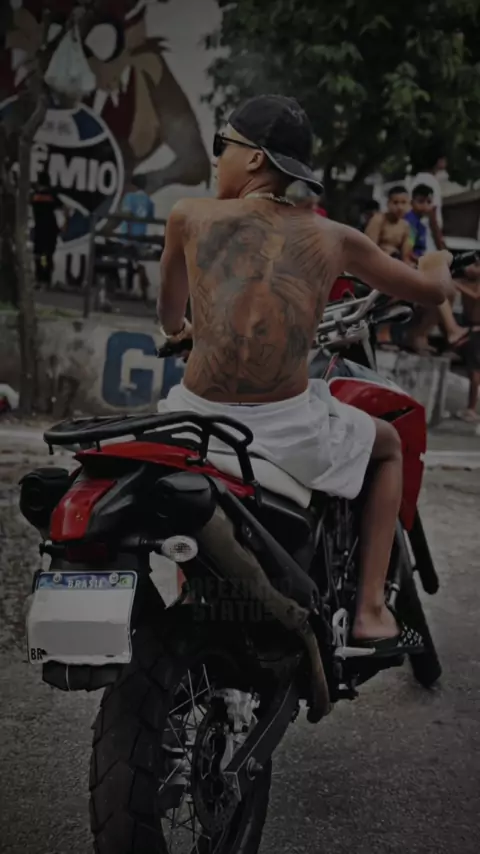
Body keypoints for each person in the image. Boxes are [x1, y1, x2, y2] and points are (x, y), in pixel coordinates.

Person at [157, 94, 452, 655]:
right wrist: (439, 260)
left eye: (222, 145)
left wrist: (185, 330)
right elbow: (430, 291)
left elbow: (171, 316)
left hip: (196, 416)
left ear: (254, 158)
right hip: (284, 428)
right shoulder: (333, 238)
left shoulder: (187, 216)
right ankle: (370, 612)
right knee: (388, 445)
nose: (216, 158)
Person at [405, 185, 469, 353]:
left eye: (429, 202)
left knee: (450, 292)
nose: (425, 206)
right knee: (438, 290)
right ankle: (447, 331)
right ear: (412, 201)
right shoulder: (409, 221)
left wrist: (434, 222)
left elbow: (441, 247)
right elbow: (408, 251)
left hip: (419, 266)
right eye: (421, 201)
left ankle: (423, 334)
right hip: (406, 267)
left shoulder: (423, 225)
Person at [30, 170, 66, 289]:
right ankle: (45, 279)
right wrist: (65, 224)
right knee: (45, 256)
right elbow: (65, 209)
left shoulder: (34, 196)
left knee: (40, 255)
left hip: (40, 230)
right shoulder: (52, 195)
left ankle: (40, 278)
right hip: (50, 230)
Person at [454, 260, 480, 422]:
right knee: (473, 370)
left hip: (477, 329)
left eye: (476, 265)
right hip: (469, 326)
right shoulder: (467, 282)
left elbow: (476, 297)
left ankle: (471, 408)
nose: (469, 268)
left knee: (475, 371)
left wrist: (456, 285)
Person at [411, 145, 447, 251]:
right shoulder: (429, 181)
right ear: (438, 160)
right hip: (427, 239)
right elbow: (432, 215)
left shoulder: (419, 178)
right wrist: (440, 245)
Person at [365, 185, 411, 261]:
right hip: (375, 261)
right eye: (395, 203)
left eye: (403, 203)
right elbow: (369, 249)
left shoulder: (406, 226)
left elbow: (406, 256)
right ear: (388, 203)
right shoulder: (378, 220)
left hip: (394, 263)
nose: (400, 207)